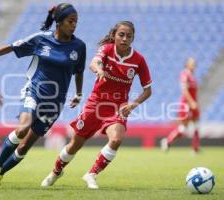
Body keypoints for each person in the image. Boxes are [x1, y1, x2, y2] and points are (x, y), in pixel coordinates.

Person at [0, 3, 86, 188]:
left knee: (24, 147)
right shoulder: (41, 39)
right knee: (22, 128)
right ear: (59, 22)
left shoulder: (79, 46)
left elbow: (79, 71)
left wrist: (78, 93)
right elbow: (11, 47)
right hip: (34, 90)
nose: (74, 25)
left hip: (54, 103)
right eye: (71, 21)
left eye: (76, 22)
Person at [41, 21, 152, 189]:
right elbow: (94, 62)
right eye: (121, 35)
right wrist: (99, 70)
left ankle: (91, 174)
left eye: (129, 36)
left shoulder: (138, 60)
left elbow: (148, 90)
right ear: (114, 35)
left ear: (133, 38)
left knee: (116, 139)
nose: (124, 39)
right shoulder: (107, 49)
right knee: (75, 144)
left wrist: (133, 104)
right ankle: (56, 171)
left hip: (118, 107)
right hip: (96, 104)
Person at [160, 57, 200, 153]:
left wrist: (196, 102)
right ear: (187, 64)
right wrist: (191, 103)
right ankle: (167, 141)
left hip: (194, 103)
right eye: (192, 63)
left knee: (196, 126)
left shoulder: (193, 76)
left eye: (194, 63)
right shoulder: (184, 74)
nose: (194, 65)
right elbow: (184, 90)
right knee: (183, 129)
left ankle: (195, 149)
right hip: (186, 104)